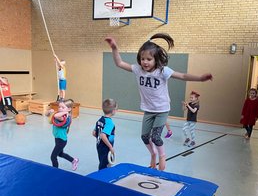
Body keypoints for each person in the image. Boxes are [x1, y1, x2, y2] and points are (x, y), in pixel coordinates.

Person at [105, 33, 213, 171]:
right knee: (144, 137)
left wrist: (200, 78)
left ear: (156, 59)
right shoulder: (138, 70)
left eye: (149, 59)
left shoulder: (163, 71)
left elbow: (182, 75)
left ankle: (162, 155)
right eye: (142, 59)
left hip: (162, 109)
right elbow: (119, 63)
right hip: (148, 110)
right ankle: (153, 154)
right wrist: (114, 47)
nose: (145, 62)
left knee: (156, 137)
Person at [46, 99, 79, 170]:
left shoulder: (66, 118)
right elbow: (47, 115)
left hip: (61, 140)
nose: (60, 109)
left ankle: (55, 171)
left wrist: (63, 113)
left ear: (69, 109)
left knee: (53, 156)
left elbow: (56, 116)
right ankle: (74, 160)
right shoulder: (59, 114)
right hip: (57, 138)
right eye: (59, 107)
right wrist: (49, 111)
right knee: (60, 154)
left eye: (63, 107)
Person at [92, 99, 117, 170]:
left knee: (103, 161)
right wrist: (110, 147)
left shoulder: (100, 120)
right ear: (113, 111)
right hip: (106, 147)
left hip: (99, 145)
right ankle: (101, 177)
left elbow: (94, 133)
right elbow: (103, 135)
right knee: (104, 165)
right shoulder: (109, 123)